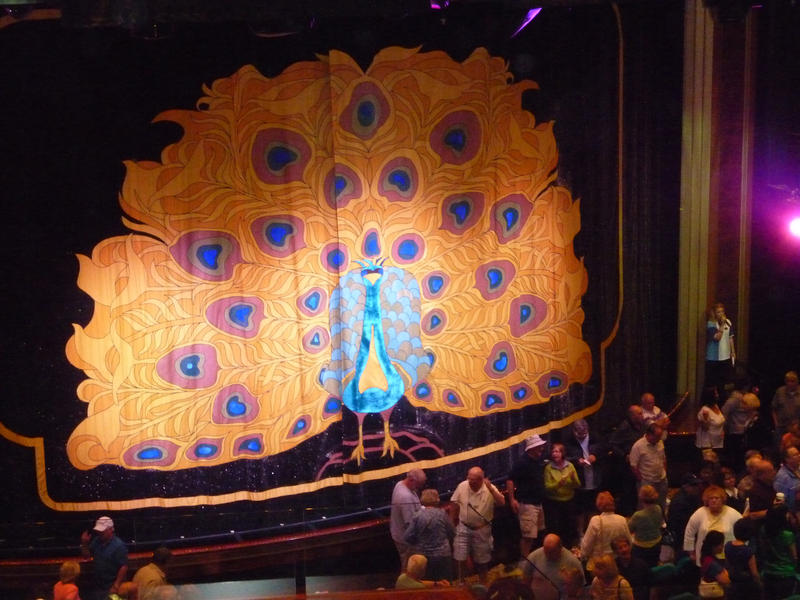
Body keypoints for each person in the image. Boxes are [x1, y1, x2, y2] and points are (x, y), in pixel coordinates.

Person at [451, 465, 505, 582]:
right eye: (468, 478)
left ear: (481, 480)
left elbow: (501, 502)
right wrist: (452, 522)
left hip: (482, 529)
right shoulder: (462, 486)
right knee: (460, 557)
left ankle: (483, 582)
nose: (470, 482)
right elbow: (454, 504)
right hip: (463, 527)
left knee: (482, 560)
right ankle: (461, 582)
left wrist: (491, 489)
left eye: (473, 480)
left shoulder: (490, 488)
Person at [506, 434, 547, 557]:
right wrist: (512, 499)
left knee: (537, 533)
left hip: (538, 502)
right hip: (527, 504)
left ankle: (534, 559)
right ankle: (525, 561)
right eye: (539, 447)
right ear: (531, 448)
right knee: (528, 536)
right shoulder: (522, 463)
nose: (541, 449)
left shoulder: (537, 460)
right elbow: (510, 480)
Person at [403, 488, 455, 581]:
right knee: (446, 584)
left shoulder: (417, 516)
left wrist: (418, 542)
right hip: (443, 555)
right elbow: (452, 532)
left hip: (423, 556)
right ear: (437, 500)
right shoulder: (442, 514)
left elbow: (407, 536)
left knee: (428, 584)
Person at [683, 485, 742, 566]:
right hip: (705, 557)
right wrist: (691, 553)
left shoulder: (733, 513)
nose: (714, 500)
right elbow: (689, 533)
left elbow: (743, 531)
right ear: (707, 500)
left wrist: (740, 551)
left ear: (722, 500)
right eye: (711, 498)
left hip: (728, 557)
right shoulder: (700, 513)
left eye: (717, 498)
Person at [565, 419, 605, 536]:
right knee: (580, 509)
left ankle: (593, 531)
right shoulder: (569, 441)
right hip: (580, 480)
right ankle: (580, 533)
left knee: (594, 506)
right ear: (574, 431)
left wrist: (595, 456)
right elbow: (565, 457)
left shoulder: (595, 437)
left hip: (595, 477)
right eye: (579, 434)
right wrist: (577, 460)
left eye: (584, 434)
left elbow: (605, 448)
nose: (582, 436)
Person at [608, 406, 647, 515]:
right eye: (639, 414)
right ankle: (627, 513)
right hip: (627, 465)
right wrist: (624, 455)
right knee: (628, 489)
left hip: (641, 463)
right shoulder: (624, 427)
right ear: (632, 415)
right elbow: (612, 444)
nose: (642, 416)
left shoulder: (643, 426)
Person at [80, 516, 128, 600]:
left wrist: (116, 586)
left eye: (102, 531)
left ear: (111, 529)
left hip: (111, 586)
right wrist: (84, 544)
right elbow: (86, 556)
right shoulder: (96, 541)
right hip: (98, 586)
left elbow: (123, 566)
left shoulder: (119, 545)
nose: (100, 533)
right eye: (98, 531)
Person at [580, 492, 632, 570]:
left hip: (600, 564)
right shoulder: (622, 519)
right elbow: (629, 542)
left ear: (599, 505)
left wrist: (582, 556)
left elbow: (586, 547)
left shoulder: (596, 520)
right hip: (617, 563)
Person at [543, 442, 581, 547]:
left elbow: (577, 485)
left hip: (569, 501)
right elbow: (547, 487)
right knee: (556, 528)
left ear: (562, 453)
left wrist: (573, 479)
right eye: (553, 451)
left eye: (557, 451)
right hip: (554, 503)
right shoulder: (548, 468)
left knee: (568, 527)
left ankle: (568, 547)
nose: (555, 454)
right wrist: (558, 484)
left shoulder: (570, 466)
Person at [525, 533, 585, 600]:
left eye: (551, 552)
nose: (547, 555)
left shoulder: (573, 562)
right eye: (545, 551)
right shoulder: (533, 557)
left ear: (560, 548)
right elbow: (526, 582)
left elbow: (581, 588)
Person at [758, 503, 798, 599]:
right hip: (786, 573)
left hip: (768, 572)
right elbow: (794, 556)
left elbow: (762, 549)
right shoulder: (787, 535)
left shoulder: (763, 530)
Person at [389, 468, 426, 571]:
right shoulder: (405, 497)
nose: (419, 487)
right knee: (409, 568)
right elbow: (410, 524)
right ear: (411, 480)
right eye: (419, 484)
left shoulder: (400, 484)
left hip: (399, 534)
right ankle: (406, 585)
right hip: (406, 540)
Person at [628, 423, 668, 509]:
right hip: (647, 481)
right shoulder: (638, 446)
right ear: (649, 435)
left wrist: (664, 472)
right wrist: (642, 480)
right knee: (645, 507)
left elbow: (664, 459)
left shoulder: (660, 442)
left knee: (662, 504)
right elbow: (633, 466)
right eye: (657, 436)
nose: (659, 439)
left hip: (662, 479)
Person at [665, 473, 703, 561]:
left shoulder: (693, 496)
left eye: (697, 485)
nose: (697, 487)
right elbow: (679, 525)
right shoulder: (679, 502)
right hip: (682, 538)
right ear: (685, 486)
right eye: (693, 485)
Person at [724, 518, 760, 600]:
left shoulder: (728, 545)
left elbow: (727, 563)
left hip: (732, 582)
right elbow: (754, 573)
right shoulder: (748, 551)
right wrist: (759, 583)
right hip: (746, 585)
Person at [627, 485, 663, 568]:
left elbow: (628, 529)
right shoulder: (658, 508)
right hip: (657, 543)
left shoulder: (638, 515)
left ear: (641, 497)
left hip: (641, 548)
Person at [705, 302, 735, 395]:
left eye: (722, 311)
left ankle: (721, 402)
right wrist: (722, 325)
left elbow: (730, 337)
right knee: (712, 383)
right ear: (714, 313)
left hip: (725, 356)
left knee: (722, 383)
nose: (721, 314)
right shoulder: (711, 324)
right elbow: (717, 338)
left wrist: (733, 351)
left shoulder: (728, 322)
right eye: (718, 312)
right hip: (713, 357)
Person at [697, 530, 729, 599]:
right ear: (714, 546)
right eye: (721, 544)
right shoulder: (712, 563)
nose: (722, 546)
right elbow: (725, 581)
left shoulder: (705, 557)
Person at [696, 386, 725, 454]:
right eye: (716, 394)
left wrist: (722, 430)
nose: (717, 395)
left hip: (718, 442)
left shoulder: (716, 406)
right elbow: (705, 428)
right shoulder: (705, 410)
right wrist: (705, 419)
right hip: (708, 443)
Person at [773, 445, 800, 518]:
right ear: (787, 459)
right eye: (795, 455)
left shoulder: (798, 467)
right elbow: (782, 503)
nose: (799, 456)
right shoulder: (782, 478)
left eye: (798, 453)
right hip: (794, 512)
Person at [772, 371, 800, 439]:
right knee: (780, 447)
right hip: (781, 427)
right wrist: (776, 423)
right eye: (788, 381)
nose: (790, 383)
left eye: (792, 381)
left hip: (797, 428)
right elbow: (773, 408)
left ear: (797, 382)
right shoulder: (780, 391)